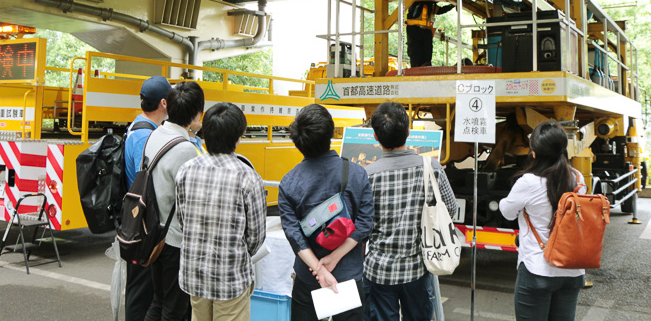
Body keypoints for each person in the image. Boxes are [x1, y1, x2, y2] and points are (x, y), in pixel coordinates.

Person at [278, 104, 374, 321]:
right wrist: (334, 257)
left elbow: (294, 234)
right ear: (331, 133)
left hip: (308, 278)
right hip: (348, 277)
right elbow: (365, 224)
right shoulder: (357, 174)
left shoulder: (289, 183)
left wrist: (319, 269)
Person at [364, 101, 457, 321]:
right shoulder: (431, 168)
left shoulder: (367, 175)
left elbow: (362, 225)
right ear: (408, 131)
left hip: (378, 272)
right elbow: (450, 210)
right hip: (417, 269)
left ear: (376, 137)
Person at [176, 102, 267, 321]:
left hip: (194, 275)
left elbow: (182, 221)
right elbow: (256, 237)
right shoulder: (248, 177)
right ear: (238, 138)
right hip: (230, 277)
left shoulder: (186, 170)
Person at [499, 121, 587, 320]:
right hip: (571, 271)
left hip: (537, 269)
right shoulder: (577, 178)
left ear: (534, 153)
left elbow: (507, 212)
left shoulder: (529, 182)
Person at [142, 81, 205, 321]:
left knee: (158, 302)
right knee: (174, 309)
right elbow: (189, 201)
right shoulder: (185, 148)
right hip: (173, 240)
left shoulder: (155, 134)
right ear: (196, 113)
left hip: (152, 231)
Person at [124, 76, 171, 321]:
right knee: (141, 291)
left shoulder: (139, 126)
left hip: (135, 217)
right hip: (142, 222)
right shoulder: (145, 135)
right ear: (164, 103)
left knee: (140, 287)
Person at [405, 0, 454, 67]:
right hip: (414, 31)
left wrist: (452, 5)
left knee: (427, 60)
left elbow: (439, 10)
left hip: (426, 32)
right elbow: (421, 2)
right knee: (416, 58)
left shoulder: (429, 0)